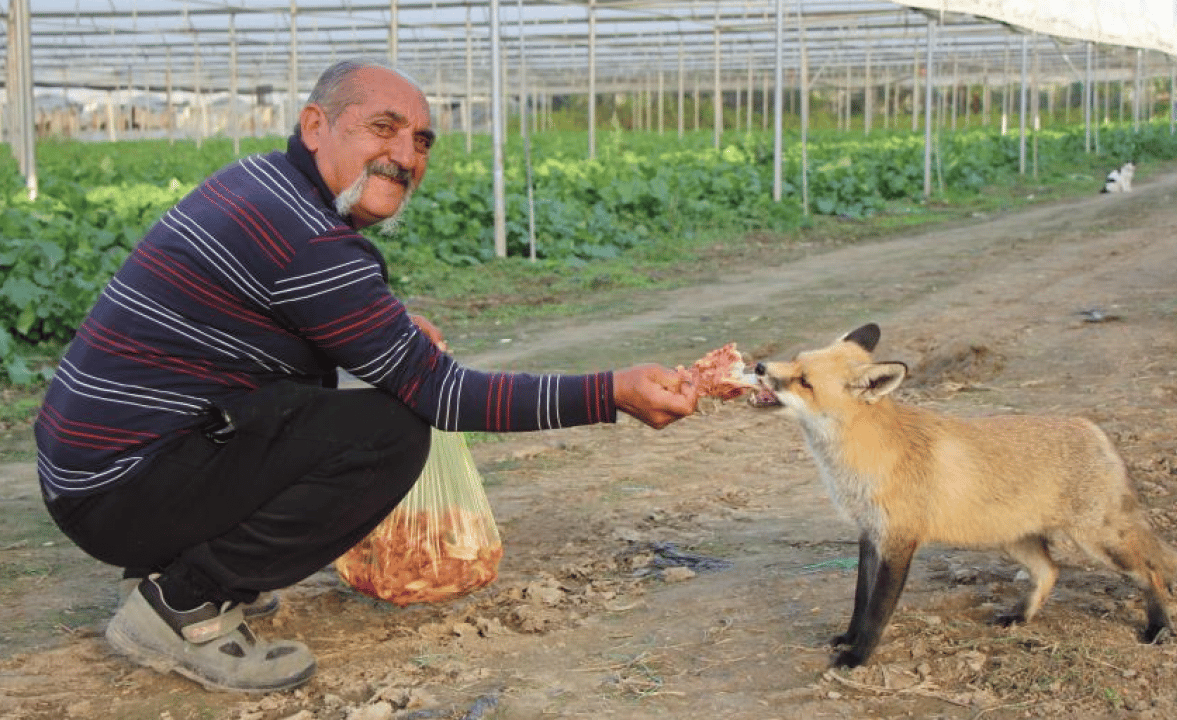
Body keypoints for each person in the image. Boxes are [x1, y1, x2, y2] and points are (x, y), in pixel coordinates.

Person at [34, 58, 698, 694]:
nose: (407, 157)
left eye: (422, 141)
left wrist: (387, 332)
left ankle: (183, 561)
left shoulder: (264, 185)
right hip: (117, 489)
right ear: (315, 125)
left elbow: (276, 321)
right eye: (384, 128)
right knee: (390, 434)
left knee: (338, 399)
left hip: (95, 469)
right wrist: (609, 391)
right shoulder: (308, 238)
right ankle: (182, 603)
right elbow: (444, 393)